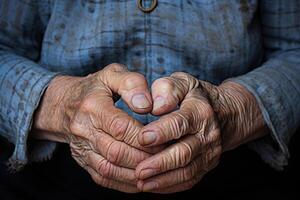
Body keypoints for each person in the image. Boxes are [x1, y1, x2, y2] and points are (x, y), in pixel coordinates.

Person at [0, 0, 299, 195]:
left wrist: (233, 109)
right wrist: (61, 105)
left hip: (235, 171)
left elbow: (293, 49)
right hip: (54, 176)